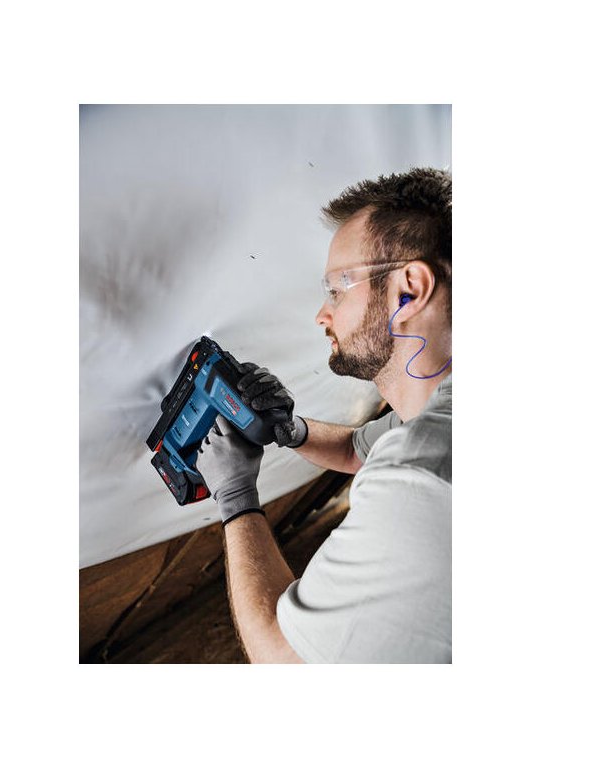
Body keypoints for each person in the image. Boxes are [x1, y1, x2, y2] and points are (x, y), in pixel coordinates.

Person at [197, 167, 452, 663]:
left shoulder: (420, 475)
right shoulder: (438, 414)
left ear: (409, 289)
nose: (322, 313)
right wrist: (289, 430)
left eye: (338, 288)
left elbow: (281, 657)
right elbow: (360, 451)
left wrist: (235, 497)